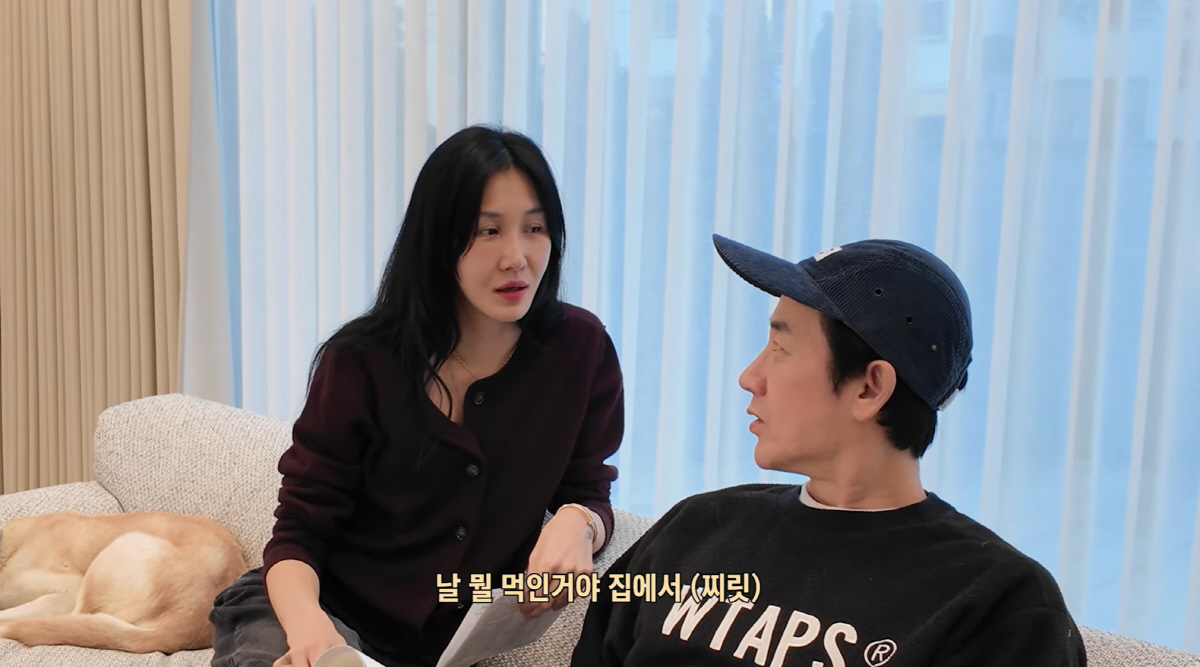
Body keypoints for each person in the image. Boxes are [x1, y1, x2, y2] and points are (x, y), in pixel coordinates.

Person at [209, 125, 625, 667]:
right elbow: (297, 535)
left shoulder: (581, 350)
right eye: (488, 231)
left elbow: (589, 488)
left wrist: (579, 521)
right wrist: (312, 632)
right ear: (438, 239)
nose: (516, 257)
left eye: (535, 228)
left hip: (445, 646)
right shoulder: (359, 362)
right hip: (312, 611)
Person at [570, 234, 1087, 667]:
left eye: (780, 347)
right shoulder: (695, 528)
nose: (750, 376)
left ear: (869, 388)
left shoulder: (998, 603)